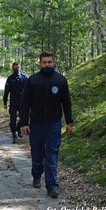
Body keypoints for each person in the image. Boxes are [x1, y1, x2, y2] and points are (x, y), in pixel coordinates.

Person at [20, 51, 73, 198]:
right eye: (44, 62)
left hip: (54, 124)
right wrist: (24, 123)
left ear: (53, 62)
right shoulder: (32, 80)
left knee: (51, 154)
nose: (47, 64)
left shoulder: (61, 80)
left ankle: (52, 186)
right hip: (36, 124)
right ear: (40, 63)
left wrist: (69, 122)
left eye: (50, 62)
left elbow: (66, 103)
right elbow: (25, 103)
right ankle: (36, 175)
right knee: (37, 153)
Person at [3, 62, 28, 144]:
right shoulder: (10, 78)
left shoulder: (24, 77)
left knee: (23, 118)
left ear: (19, 67)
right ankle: (14, 136)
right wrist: (5, 102)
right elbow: (6, 91)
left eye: (17, 67)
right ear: (12, 68)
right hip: (13, 101)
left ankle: (18, 128)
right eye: (14, 67)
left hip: (23, 101)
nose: (16, 69)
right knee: (12, 118)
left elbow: (29, 91)